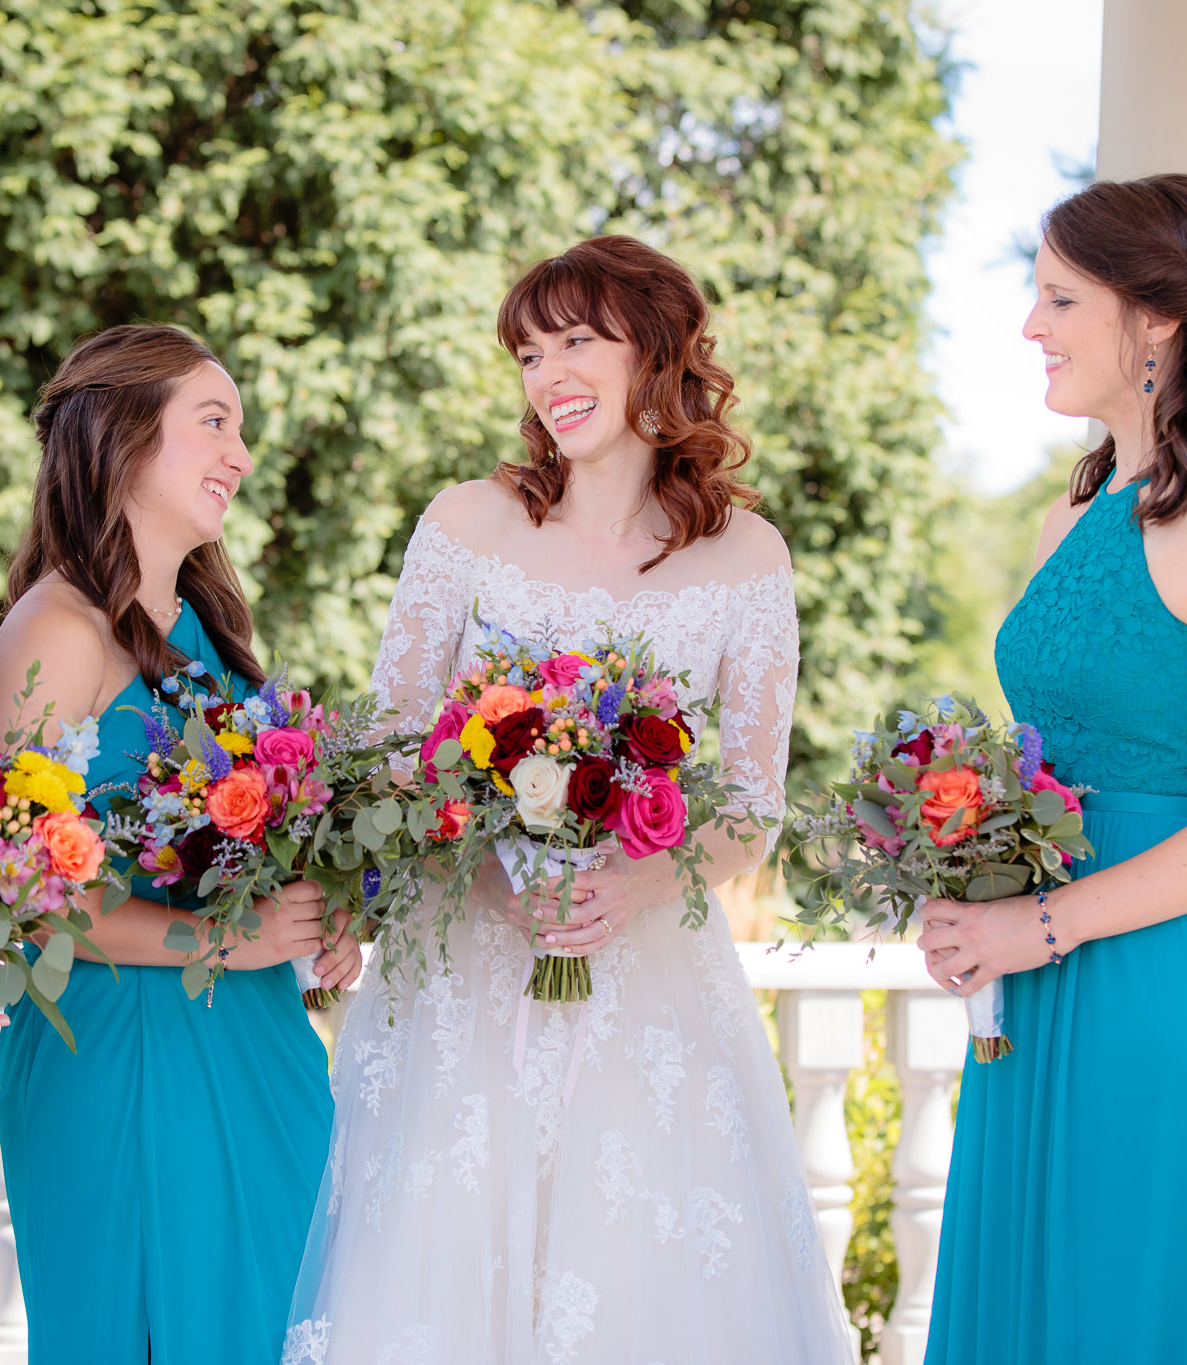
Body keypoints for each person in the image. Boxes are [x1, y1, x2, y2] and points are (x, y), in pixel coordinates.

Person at [283, 236, 854, 1364]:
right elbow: (392, 749)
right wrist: (482, 872)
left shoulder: (747, 555)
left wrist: (631, 882)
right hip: (460, 983)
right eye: (528, 352)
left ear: (658, 351)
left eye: (576, 342)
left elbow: (747, 803)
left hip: (648, 986)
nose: (547, 375)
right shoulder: (466, 523)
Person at [916, 174, 1187, 1364]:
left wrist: (1041, 925)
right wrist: (969, 871)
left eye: (1056, 298)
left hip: (1165, 996)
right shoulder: (1079, 507)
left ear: (1150, 317)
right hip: (1035, 1002)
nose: (1027, 327)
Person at [0, 323, 362, 1365]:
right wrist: (221, 945)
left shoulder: (204, 625)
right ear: (122, 436)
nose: (239, 454)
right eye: (212, 423)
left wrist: (320, 916)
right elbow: (12, 894)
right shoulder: (54, 632)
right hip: (123, 1059)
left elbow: (247, 852)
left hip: (257, 1043)